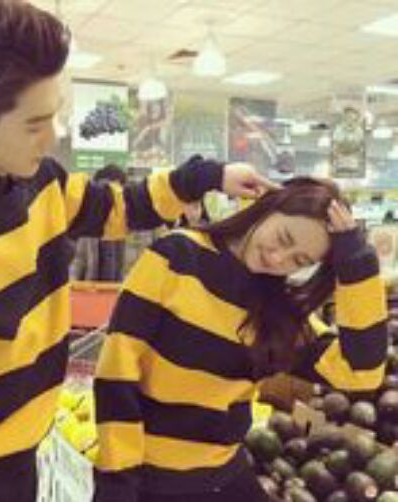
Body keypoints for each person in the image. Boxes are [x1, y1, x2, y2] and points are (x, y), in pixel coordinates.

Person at [0, 1, 275, 502]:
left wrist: (208, 177)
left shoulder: (37, 179)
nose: (53, 136)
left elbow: (117, 207)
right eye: (35, 124)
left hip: (24, 452)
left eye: (55, 114)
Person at [93, 177, 388, 502]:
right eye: (283, 238)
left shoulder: (277, 313)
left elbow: (362, 372)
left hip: (226, 476)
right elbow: (116, 373)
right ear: (267, 208)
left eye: (299, 261)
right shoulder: (177, 257)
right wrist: (117, 480)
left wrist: (357, 264)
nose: (278, 259)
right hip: (150, 482)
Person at [71, 164, 128, 282]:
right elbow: (79, 258)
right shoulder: (87, 219)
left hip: (119, 286)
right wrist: (73, 282)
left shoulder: (130, 221)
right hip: (91, 286)